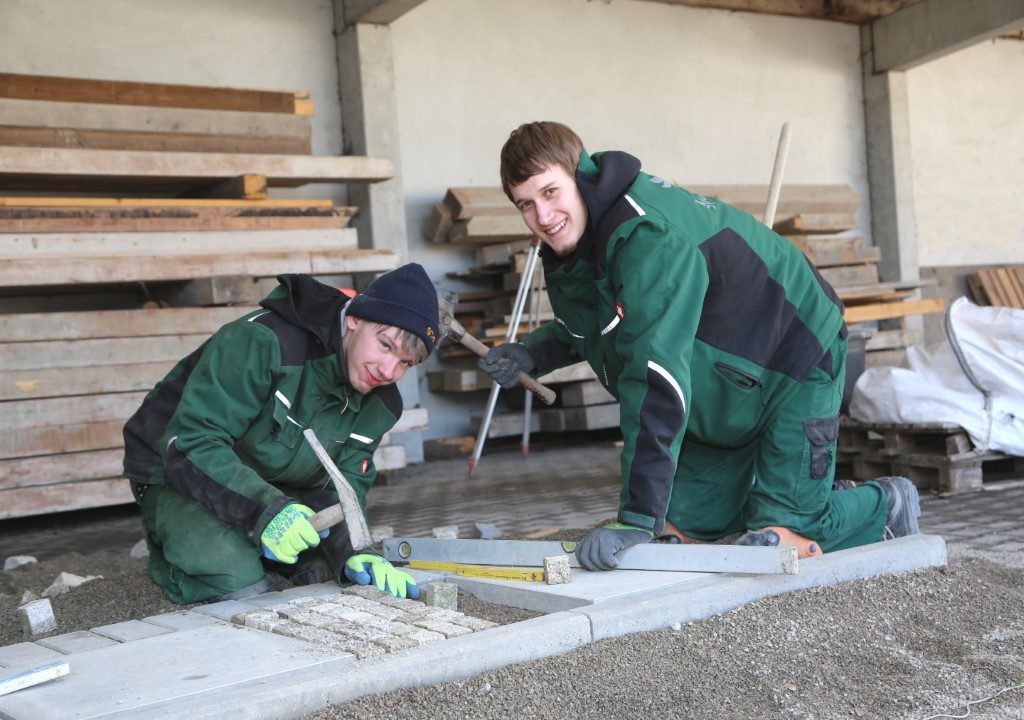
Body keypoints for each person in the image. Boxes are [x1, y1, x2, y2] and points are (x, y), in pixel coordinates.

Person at [480, 121, 921, 572]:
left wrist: (634, 517)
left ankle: (882, 504)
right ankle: (801, 490)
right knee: (679, 531)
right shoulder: (577, 246)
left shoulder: (648, 239)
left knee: (779, 536)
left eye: (551, 192)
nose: (543, 216)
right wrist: (532, 352)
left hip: (794, 358)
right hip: (729, 383)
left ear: (580, 174)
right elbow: (600, 323)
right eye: (526, 205)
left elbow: (654, 378)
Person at [122, 264, 439, 603]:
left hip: (270, 477)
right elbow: (191, 443)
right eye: (385, 346)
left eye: (406, 363)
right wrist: (267, 512)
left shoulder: (382, 403)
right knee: (239, 581)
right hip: (176, 468)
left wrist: (356, 551)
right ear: (354, 319)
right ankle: (167, 545)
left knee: (323, 574)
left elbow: (342, 485)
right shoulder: (262, 342)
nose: (389, 371)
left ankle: (259, 532)